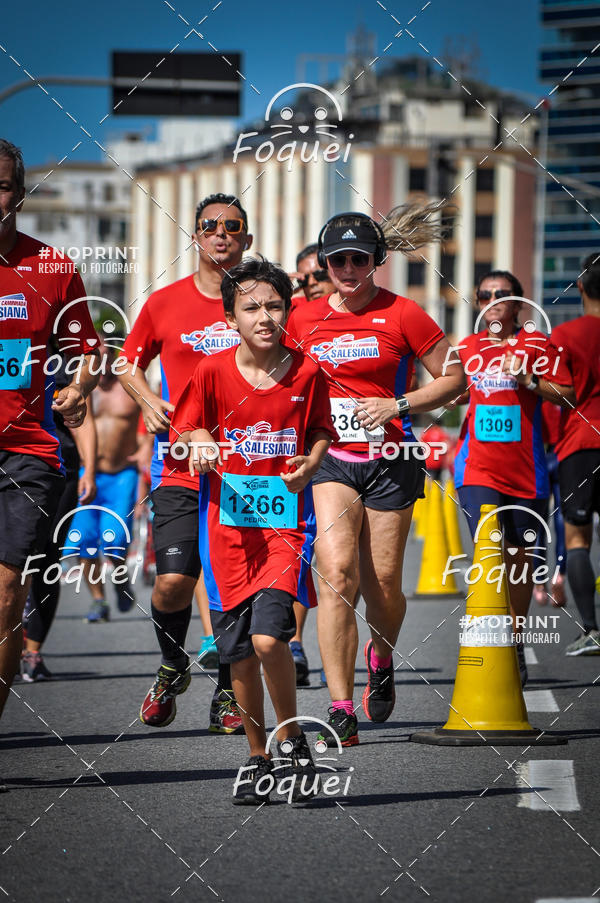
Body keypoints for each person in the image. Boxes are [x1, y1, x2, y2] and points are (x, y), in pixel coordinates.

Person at [285, 205, 466, 747]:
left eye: (357, 259)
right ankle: (341, 706)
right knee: (337, 572)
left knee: (383, 584)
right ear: (325, 262)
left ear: (375, 262)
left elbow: (454, 377)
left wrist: (399, 404)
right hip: (331, 459)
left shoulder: (405, 314)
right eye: (336, 258)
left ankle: (381, 655)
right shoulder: (301, 318)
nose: (346, 267)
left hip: (390, 462)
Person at [173, 256, 337, 803]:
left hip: (284, 528)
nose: (264, 316)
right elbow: (188, 426)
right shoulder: (210, 372)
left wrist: (312, 465)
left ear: (288, 311)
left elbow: (319, 431)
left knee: (272, 637)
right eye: (251, 307)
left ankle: (292, 738)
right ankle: (258, 755)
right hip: (226, 532)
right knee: (238, 651)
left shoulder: (307, 371)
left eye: (274, 305)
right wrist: (198, 442)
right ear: (230, 319)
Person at [118, 193, 252, 733]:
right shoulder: (164, 303)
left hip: (248, 470)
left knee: (233, 586)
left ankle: (227, 691)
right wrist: (149, 402)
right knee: (174, 581)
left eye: (232, 226)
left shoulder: (260, 302)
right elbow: (127, 362)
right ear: (195, 235)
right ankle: (174, 664)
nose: (221, 234)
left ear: (247, 238)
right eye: (210, 226)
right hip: (178, 466)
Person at [0, 139, 99, 739]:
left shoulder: (53, 268)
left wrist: (79, 387)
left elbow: (87, 353)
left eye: (3, 186)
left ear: (20, 194)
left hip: (26, 453)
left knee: (8, 592)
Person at [453, 270, 574, 683]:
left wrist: (529, 380)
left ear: (520, 303)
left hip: (526, 472)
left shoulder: (537, 344)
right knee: (491, 552)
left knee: (520, 560)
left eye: (501, 294)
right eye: (484, 294)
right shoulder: (466, 348)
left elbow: (567, 392)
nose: (492, 300)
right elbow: (446, 391)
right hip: (476, 469)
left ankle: (515, 638)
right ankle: (487, 646)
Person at [21, 349, 97, 680]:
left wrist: (89, 469)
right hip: (10, 460)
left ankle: (32, 652)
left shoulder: (61, 360)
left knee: (47, 557)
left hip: (58, 465)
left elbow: (82, 417)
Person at [288, 244, 335, 685]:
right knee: (300, 551)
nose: (310, 284)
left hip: (358, 449)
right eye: (301, 279)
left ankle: (378, 648)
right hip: (300, 451)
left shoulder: (352, 313)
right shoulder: (291, 318)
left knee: (343, 563)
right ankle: (294, 643)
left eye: (316, 275)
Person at [69, 341, 142, 622]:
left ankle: (121, 580)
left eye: (105, 356)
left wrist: (144, 452)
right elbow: (74, 424)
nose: (101, 362)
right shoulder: (82, 390)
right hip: (89, 474)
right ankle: (99, 600)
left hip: (122, 475)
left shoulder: (128, 387)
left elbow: (148, 423)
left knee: (114, 541)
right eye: (94, 358)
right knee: (84, 540)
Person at [550, 253, 600, 655]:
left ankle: (592, 630)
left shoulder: (566, 335)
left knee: (577, 539)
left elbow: (560, 394)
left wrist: (529, 379)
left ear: (581, 287)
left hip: (581, 445)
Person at [533, 401, 567, 607]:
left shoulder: (534, 386)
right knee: (563, 519)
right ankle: (559, 575)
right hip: (563, 454)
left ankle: (539, 583)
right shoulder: (564, 387)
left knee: (538, 523)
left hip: (538, 455)